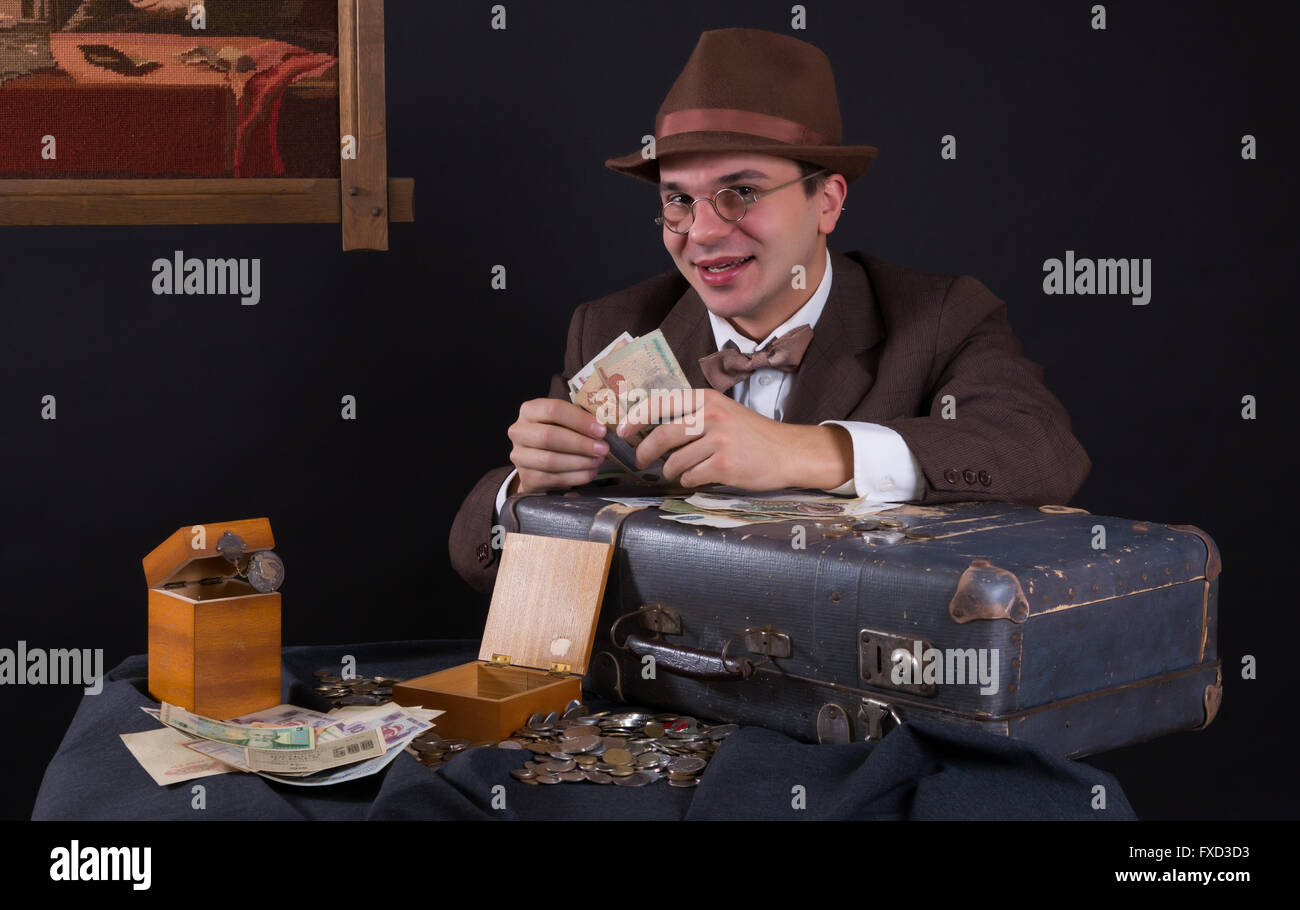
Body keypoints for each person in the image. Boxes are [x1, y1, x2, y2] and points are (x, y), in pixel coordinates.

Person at [449, 28, 1090, 594]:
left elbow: (1043, 452)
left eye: (741, 193)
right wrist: (525, 492)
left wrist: (798, 452)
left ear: (827, 203)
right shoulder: (616, 326)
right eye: (679, 201)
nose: (700, 232)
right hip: (669, 691)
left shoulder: (938, 315)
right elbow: (478, 559)